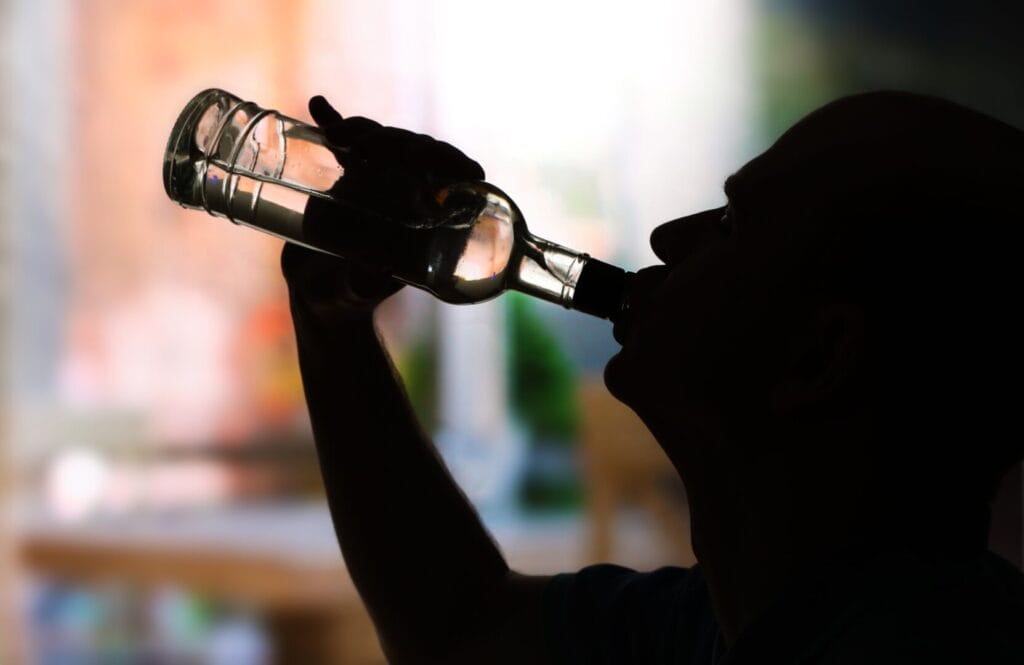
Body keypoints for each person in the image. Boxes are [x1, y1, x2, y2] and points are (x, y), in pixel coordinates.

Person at [281, 91, 1024, 664]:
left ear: (817, 356)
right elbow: (462, 629)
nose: (670, 237)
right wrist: (331, 318)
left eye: (732, 224)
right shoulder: (733, 620)